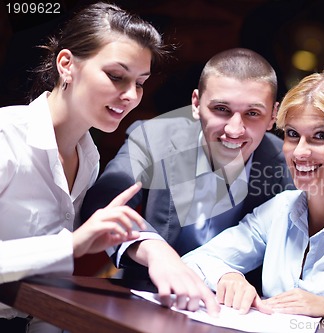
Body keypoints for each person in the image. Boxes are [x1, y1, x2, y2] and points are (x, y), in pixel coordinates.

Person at [182, 70, 324, 332]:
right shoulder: (278, 209)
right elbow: (194, 261)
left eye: (320, 136)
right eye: (292, 134)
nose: (300, 151)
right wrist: (228, 275)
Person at [0, 2, 175, 332]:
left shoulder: (89, 159)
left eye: (140, 82)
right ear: (66, 65)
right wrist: (73, 243)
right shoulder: (6, 137)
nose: (130, 96)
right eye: (116, 76)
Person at [80, 48, 294, 310]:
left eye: (252, 114)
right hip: (149, 299)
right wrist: (154, 250)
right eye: (221, 109)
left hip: (235, 311)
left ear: (273, 115)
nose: (234, 130)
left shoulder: (287, 164)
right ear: (195, 104)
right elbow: (102, 203)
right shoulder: (153, 138)